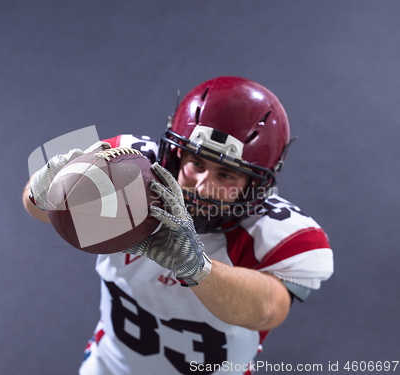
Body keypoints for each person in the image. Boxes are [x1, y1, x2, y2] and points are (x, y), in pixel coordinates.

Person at [22, 76, 334, 375]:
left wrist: (197, 267)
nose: (202, 186)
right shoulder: (130, 170)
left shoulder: (279, 233)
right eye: (196, 163)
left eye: (225, 175)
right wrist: (44, 189)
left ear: (255, 184)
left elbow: (269, 309)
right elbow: (41, 209)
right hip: (110, 368)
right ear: (174, 154)